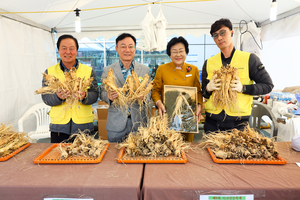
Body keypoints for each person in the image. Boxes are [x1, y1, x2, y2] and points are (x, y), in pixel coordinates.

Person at [201, 18, 274, 133]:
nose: (219, 37)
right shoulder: (209, 62)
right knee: (210, 151)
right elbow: (204, 93)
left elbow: (268, 85)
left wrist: (243, 88)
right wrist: (208, 88)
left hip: (238, 123)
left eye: (222, 32)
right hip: (212, 122)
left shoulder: (250, 59)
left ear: (232, 32)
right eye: (215, 35)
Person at [41, 34, 98, 143]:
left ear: (76, 50)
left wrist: (85, 96)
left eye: (71, 48)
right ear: (58, 50)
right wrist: (58, 97)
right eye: (64, 48)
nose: (68, 52)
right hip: (59, 127)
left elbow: (95, 94)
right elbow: (46, 97)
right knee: (59, 157)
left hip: (83, 125)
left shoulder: (88, 71)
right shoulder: (49, 72)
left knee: (83, 157)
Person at [100, 33, 150, 143]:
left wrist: (145, 96)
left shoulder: (144, 70)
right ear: (117, 49)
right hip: (116, 125)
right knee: (115, 156)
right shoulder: (108, 70)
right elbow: (102, 92)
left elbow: (149, 92)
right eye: (123, 46)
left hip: (139, 124)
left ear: (135, 49)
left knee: (139, 156)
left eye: (130, 46)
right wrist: (108, 96)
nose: (127, 50)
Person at [151, 36, 203, 142]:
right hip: (167, 116)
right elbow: (155, 90)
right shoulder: (162, 69)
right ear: (169, 54)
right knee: (168, 147)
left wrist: (199, 105)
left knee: (187, 149)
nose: (178, 54)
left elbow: (198, 91)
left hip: (188, 117)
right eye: (174, 51)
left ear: (186, 52)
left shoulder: (193, 69)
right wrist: (158, 103)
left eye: (181, 51)